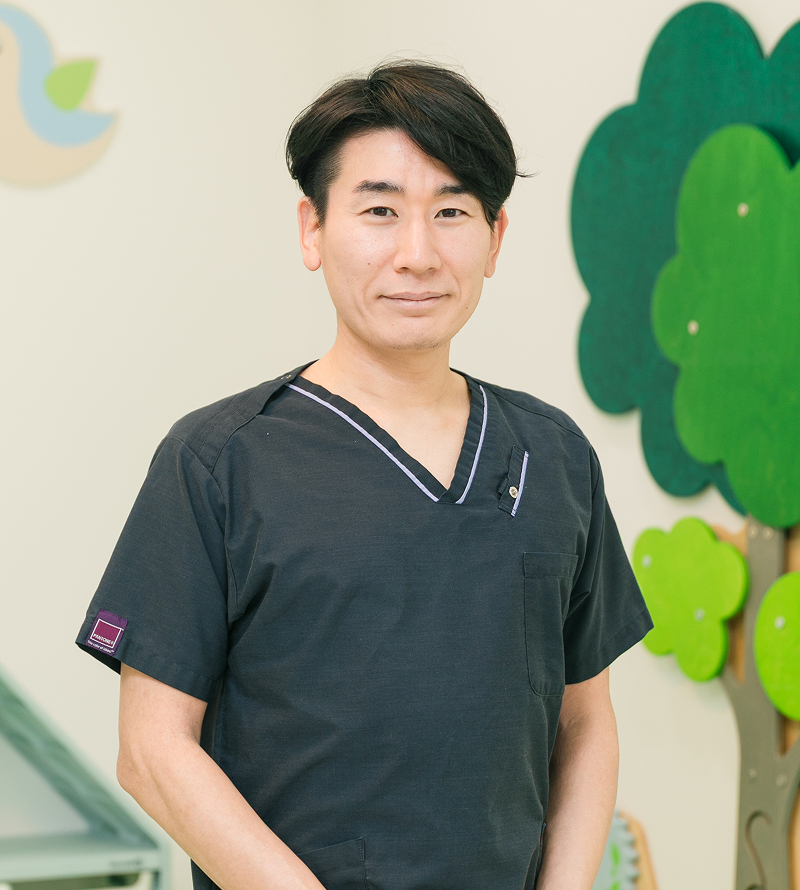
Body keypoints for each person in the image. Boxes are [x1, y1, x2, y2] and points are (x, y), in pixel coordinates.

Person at [76, 61, 652, 890]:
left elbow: (586, 721)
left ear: (495, 238)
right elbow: (151, 749)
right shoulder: (220, 461)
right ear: (312, 230)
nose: (417, 254)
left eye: (452, 211)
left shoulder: (552, 455)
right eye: (380, 210)